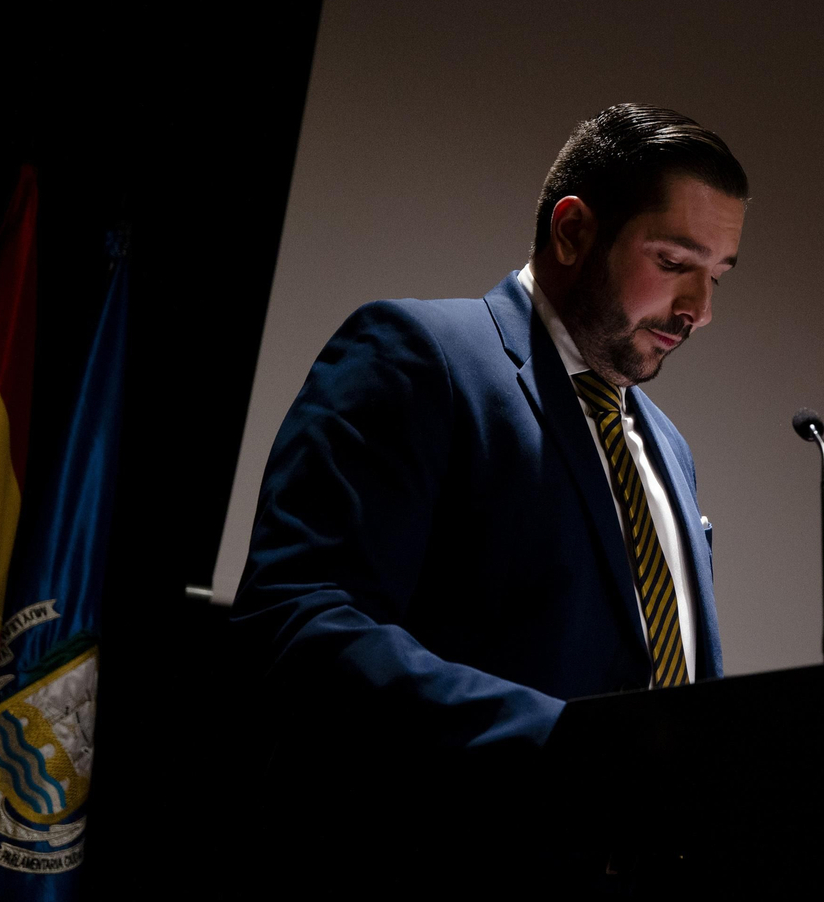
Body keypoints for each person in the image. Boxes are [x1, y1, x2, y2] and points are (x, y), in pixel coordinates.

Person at [228, 104, 747, 880]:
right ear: (572, 231)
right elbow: (299, 621)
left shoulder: (668, 447)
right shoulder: (419, 357)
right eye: (674, 264)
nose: (700, 311)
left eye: (717, 277)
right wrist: (566, 743)